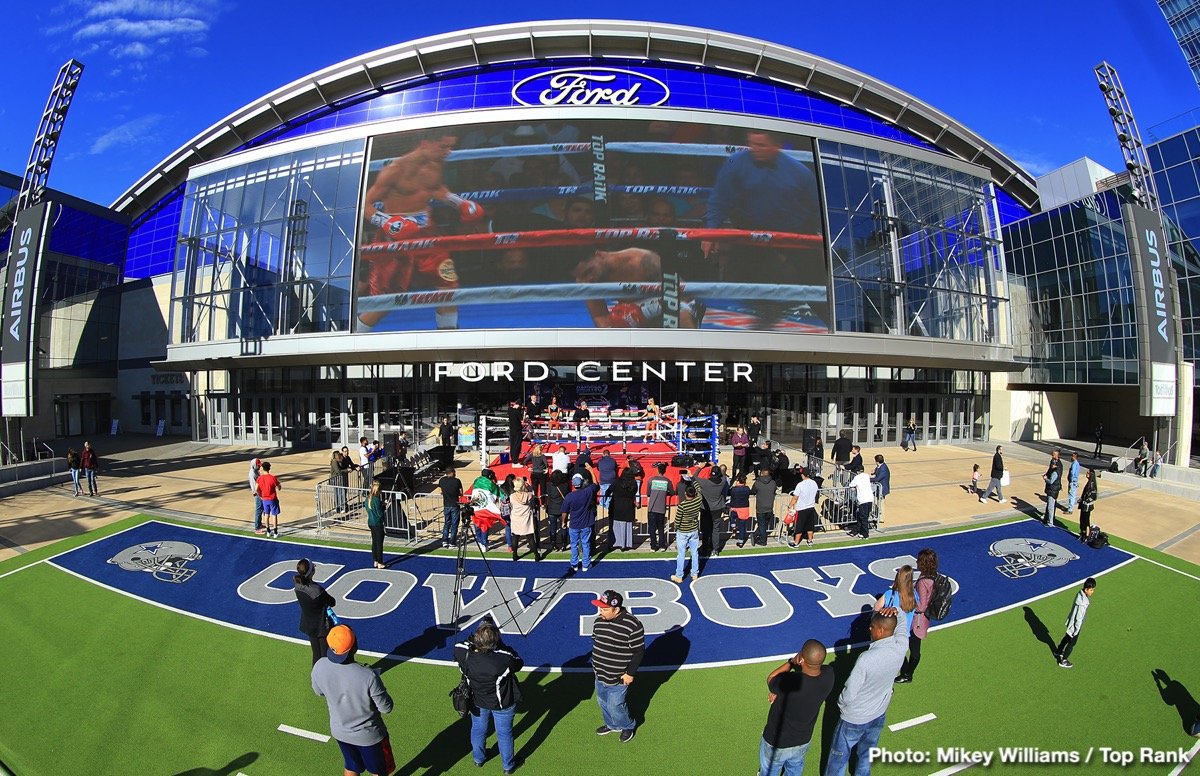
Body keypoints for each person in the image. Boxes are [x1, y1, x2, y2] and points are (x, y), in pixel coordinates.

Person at [358, 131, 479, 331]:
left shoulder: (435, 163)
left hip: (428, 233)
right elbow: (365, 204)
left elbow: (435, 187)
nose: (448, 152)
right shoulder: (394, 170)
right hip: (394, 238)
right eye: (443, 146)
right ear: (425, 143)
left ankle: (448, 341)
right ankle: (353, 340)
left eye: (451, 147)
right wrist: (388, 222)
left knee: (448, 287)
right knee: (386, 301)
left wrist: (458, 202)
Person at [824, 607, 909, 776]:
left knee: (838, 759)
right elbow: (902, 624)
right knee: (866, 756)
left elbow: (849, 692)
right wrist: (896, 610)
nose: (869, 629)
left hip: (853, 718)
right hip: (878, 714)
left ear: (882, 630)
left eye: (872, 626)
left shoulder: (866, 659)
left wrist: (841, 704)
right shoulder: (901, 647)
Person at [311, 624, 394, 776]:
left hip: (340, 732)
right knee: (378, 772)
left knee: (352, 767)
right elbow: (386, 707)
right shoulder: (368, 676)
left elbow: (318, 691)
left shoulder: (319, 666)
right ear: (354, 646)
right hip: (370, 737)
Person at [455, 620, 524, 773]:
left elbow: (460, 645)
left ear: (477, 638)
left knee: (478, 729)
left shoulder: (463, 653)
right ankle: (508, 765)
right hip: (502, 703)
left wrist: (475, 639)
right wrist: (500, 644)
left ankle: (478, 758)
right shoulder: (503, 659)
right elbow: (518, 662)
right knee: (504, 733)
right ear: (495, 641)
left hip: (476, 700)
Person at [759, 639, 834, 776]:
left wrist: (791, 662)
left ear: (801, 659)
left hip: (776, 741)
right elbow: (816, 672)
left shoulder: (790, 682)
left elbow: (771, 678)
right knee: (795, 768)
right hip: (802, 740)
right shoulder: (829, 675)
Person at [590, 590, 645, 743]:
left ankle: (627, 725)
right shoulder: (598, 621)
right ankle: (612, 724)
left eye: (604, 609)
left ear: (616, 608)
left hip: (619, 677)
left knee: (615, 705)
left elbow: (638, 651)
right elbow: (596, 640)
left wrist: (630, 673)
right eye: (600, 608)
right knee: (602, 701)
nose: (601, 612)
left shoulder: (632, 624)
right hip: (599, 673)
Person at [897, 549, 938, 683]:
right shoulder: (933, 577)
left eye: (919, 560)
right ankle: (907, 673)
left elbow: (921, 606)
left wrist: (908, 600)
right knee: (913, 648)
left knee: (911, 649)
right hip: (923, 620)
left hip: (916, 622)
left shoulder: (922, 582)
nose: (916, 562)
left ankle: (907, 674)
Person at [294, 558, 336, 665]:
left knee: (316, 653)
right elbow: (332, 602)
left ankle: (315, 678)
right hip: (322, 626)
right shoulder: (317, 591)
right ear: (312, 572)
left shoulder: (297, 585)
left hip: (309, 624)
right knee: (325, 655)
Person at [1054, 578, 1097, 668]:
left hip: (1071, 622)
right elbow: (1079, 618)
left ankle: (1058, 651)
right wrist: (1077, 630)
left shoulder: (1079, 595)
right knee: (1072, 642)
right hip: (1075, 625)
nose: (1093, 592)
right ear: (1086, 590)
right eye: (1091, 590)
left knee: (1067, 637)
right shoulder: (1083, 603)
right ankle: (1064, 660)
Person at [563, 473, 598, 573]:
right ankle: (585, 564)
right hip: (586, 523)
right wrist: (591, 470)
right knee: (585, 544)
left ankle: (574, 564)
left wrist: (563, 522)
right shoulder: (587, 492)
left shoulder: (569, 496)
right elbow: (595, 483)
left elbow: (564, 512)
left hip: (574, 524)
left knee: (574, 544)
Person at [671, 483, 704, 582]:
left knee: (681, 554)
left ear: (685, 493)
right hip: (694, 530)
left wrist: (676, 527)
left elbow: (677, 520)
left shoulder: (682, 505)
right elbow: (700, 490)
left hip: (683, 532)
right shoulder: (698, 500)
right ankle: (695, 573)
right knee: (694, 553)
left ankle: (679, 575)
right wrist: (692, 479)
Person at [874, 566, 918, 634]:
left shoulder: (890, 594)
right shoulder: (914, 595)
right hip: (904, 635)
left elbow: (876, 607)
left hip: (889, 634)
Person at [698, 464, 730, 555]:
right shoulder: (723, 481)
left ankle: (705, 547)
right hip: (717, 509)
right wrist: (716, 466)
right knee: (715, 529)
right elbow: (724, 474)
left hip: (705, 508)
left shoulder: (705, 483)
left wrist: (700, 467)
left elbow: (694, 477)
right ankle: (715, 549)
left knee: (705, 529)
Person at [645, 462, 675, 552]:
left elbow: (648, 493)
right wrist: (666, 493)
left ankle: (653, 546)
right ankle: (662, 545)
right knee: (661, 527)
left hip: (652, 508)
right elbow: (672, 492)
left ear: (657, 470)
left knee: (652, 528)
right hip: (661, 507)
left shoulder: (651, 480)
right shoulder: (667, 481)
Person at [509, 477, 539, 561]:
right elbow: (532, 494)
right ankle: (536, 555)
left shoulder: (512, 496)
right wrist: (528, 486)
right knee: (530, 537)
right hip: (526, 518)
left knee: (515, 537)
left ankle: (514, 555)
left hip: (516, 518)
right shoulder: (528, 495)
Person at [787, 468, 819, 548]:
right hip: (811, 507)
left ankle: (796, 542)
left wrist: (790, 505)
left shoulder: (800, 485)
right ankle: (810, 540)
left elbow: (795, 497)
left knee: (799, 526)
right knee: (810, 525)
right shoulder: (814, 483)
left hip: (801, 508)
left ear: (803, 475)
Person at [471, 469, 502, 550]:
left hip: (476, 507)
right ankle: (484, 543)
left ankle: (480, 541)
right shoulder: (491, 484)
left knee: (477, 524)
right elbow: (495, 496)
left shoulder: (476, 481)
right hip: (485, 508)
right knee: (484, 525)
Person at [609, 469, 638, 551]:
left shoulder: (617, 482)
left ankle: (616, 543)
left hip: (616, 506)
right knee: (627, 525)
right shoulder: (634, 483)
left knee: (616, 525)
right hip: (628, 506)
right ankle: (626, 544)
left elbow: (609, 490)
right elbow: (634, 492)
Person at [750, 467, 779, 547]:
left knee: (762, 525)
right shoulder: (773, 483)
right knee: (764, 525)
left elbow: (753, 491)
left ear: (761, 473)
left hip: (760, 507)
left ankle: (762, 540)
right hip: (769, 507)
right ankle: (755, 535)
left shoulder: (757, 483)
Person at [437, 468, 464, 548]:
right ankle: (452, 542)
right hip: (455, 505)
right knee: (454, 524)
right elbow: (461, 492)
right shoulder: (457, 481)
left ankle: (445, 541)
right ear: (452, 472)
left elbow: (440, 491)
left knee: (446, 523)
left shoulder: (442, 480)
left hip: (446, 505)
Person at [545, 470, 570, 552]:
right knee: (563, 526)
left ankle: (553, 544)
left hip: (552, 509)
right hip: (562, 509)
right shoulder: (565, 485)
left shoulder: (548, 485)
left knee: (553, 528)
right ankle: (564, 544)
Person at [365, 481, 387, 569]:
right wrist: (384, 507)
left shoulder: (368, 499)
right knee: (379, 544)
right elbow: (379, 514)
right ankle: (380, 562)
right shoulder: (376, 500)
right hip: (377, 523)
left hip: (371, 522)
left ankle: (375, 560)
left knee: (374, 543)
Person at [256, 461, 282, 538]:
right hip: (273, 499)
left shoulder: (259, 478)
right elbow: (279, 487)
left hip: (265, 499)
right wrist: (278, 487)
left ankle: (268, 531)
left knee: (266, 515)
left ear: (262, 468)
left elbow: (256, 488)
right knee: (274, 515)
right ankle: (275, 532)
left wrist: (260, 495)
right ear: (269, 468)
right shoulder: (273, 478)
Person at [849, 466, 874, 539]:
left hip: (863, 500)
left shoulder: (857, 478)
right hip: (869, 499)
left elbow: (851, 485)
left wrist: (854, 488)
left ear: (857, 471)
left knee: (863, 518)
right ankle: (857, 531)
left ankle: (865, 534)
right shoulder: (866, 476)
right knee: (862, 517)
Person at [729, 475, 753, 548]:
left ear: (738, 481)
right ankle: (741, 541)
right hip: (744, 509)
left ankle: (733, 525)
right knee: (742, 526)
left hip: (735, 508)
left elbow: (729, 493)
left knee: (731, 515)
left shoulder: (733, 489)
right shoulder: (747, 489)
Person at [1042, 449, 1063, 526]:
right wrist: (1046, 474)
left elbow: (1051, 481)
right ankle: (1047, 518)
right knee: (1049, 504)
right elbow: (1049, 470)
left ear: (1057, 456)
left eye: (1053, 454)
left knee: (1051, 505)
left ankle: (1050, 522)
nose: (1052, 455)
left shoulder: (1057, 470)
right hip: (1053, 488)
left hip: (1053, 489)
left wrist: (1045, 479)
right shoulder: (1053, 463)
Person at [1078, 468, 1098, 542]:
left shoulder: (1092, 484)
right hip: (1084, 505)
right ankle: (1083, 533)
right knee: (1082, 519)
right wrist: (1081, 499)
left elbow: (1093, 496)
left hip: (1087, 506)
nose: (1086, 474)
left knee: (1086, 520)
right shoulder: (1089, 483)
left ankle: (1086, 535)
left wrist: (1085, 500)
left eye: (1088, 473)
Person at [870, 455, 890, 520]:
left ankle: (881, 517)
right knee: (878, 502)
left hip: (882, 488)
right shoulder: (881, 466)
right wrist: (874, 472)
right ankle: (878, 514)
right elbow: (877, 469)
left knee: (881, 503)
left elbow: (877, 478)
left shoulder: (883, 468)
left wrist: (868, 479)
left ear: (877, 461)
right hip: (878, 488)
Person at [506, 400, 525, 468]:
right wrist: (524, 413)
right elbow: (522, 419)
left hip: (512, 430)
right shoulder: (517, 411)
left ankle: (514, 460)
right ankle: (515, 461)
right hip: (517, 430)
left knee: (512, 445)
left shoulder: (509, 410)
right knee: (517, 446)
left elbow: (511, 408)